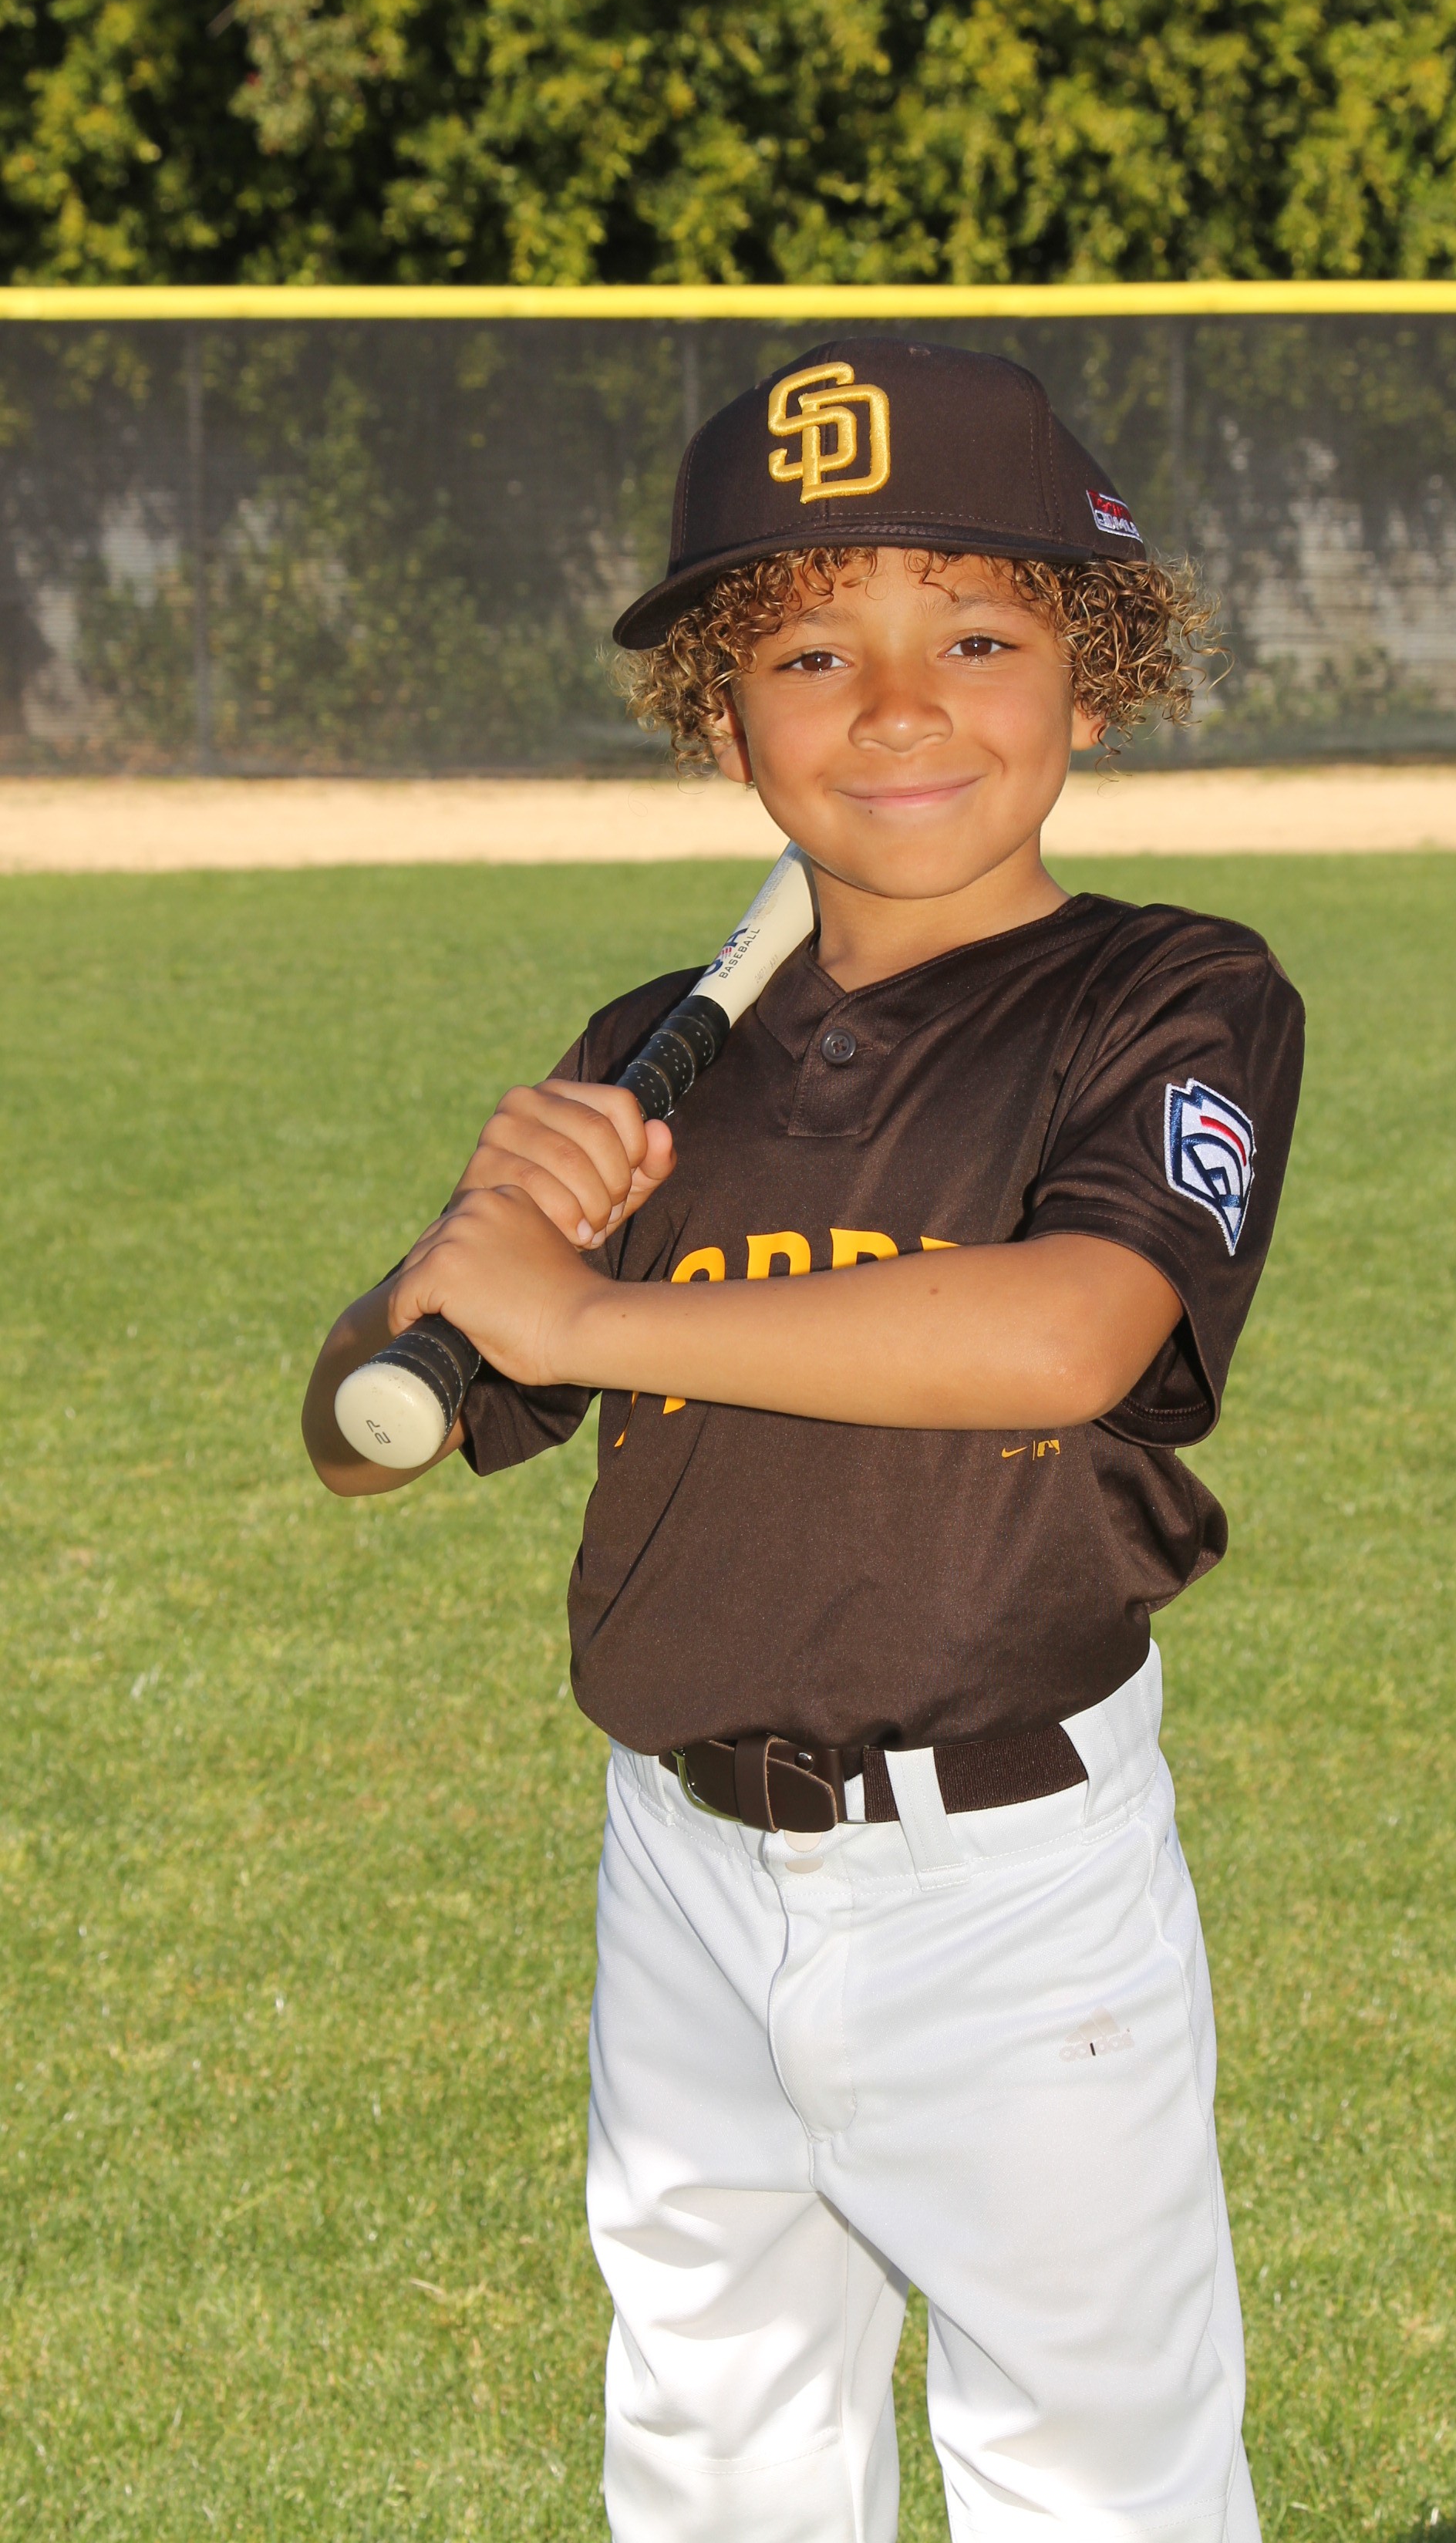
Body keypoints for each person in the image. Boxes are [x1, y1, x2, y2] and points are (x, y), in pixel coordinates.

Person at [303, 339, 1305, 2541]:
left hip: (1010, 1886)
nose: (901, 709)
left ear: (1097, 672)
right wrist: (458, 1261)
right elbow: (363, 1440)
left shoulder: (1168, 996)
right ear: (725, 720)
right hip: (683, 1867)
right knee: (714, 2456)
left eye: (980, 638)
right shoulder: (653, 1062)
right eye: (812, 655)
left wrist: (591, 1307)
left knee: (1094, 2480)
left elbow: (1074, 1330)